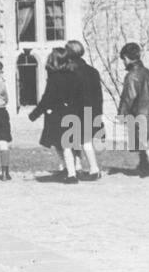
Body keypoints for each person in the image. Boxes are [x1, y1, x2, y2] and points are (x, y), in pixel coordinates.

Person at [117, 42, 149, 177]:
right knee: (147, 140)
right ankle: (145, 165)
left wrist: (122, 114)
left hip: (140, 111)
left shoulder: (132, 76)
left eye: (123, 59)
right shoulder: (148, 73)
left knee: (145, 141)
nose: (123, 62)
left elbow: (129, 97)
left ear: (127, 58)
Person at [33, 47, 82, 183]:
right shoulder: (75, 75)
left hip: (58, 116)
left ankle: (71, 174)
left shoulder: (54, 78)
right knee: (68, 144)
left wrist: (35, 113)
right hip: (73, 113)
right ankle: (72, 168)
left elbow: (47, 98)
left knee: (63, 145)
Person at [66, 40, 102, 180]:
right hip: (90, 109)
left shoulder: (69, 72)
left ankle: (77, 167)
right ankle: (94, 168)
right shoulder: (93, 71)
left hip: (74, 110)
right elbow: (98, 95)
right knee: (87, 141)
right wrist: (98, 112)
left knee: (73, 140)